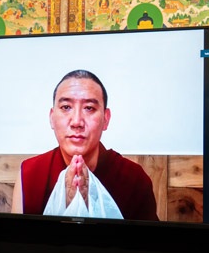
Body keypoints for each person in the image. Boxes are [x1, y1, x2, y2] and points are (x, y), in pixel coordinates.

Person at [11, 70, 157, 220]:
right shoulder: (30, 173)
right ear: (52, 118)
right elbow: (15, 241)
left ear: (106, 119)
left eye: (89, 108)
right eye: (66, 107)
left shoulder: (134, 179)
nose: (76, 122)